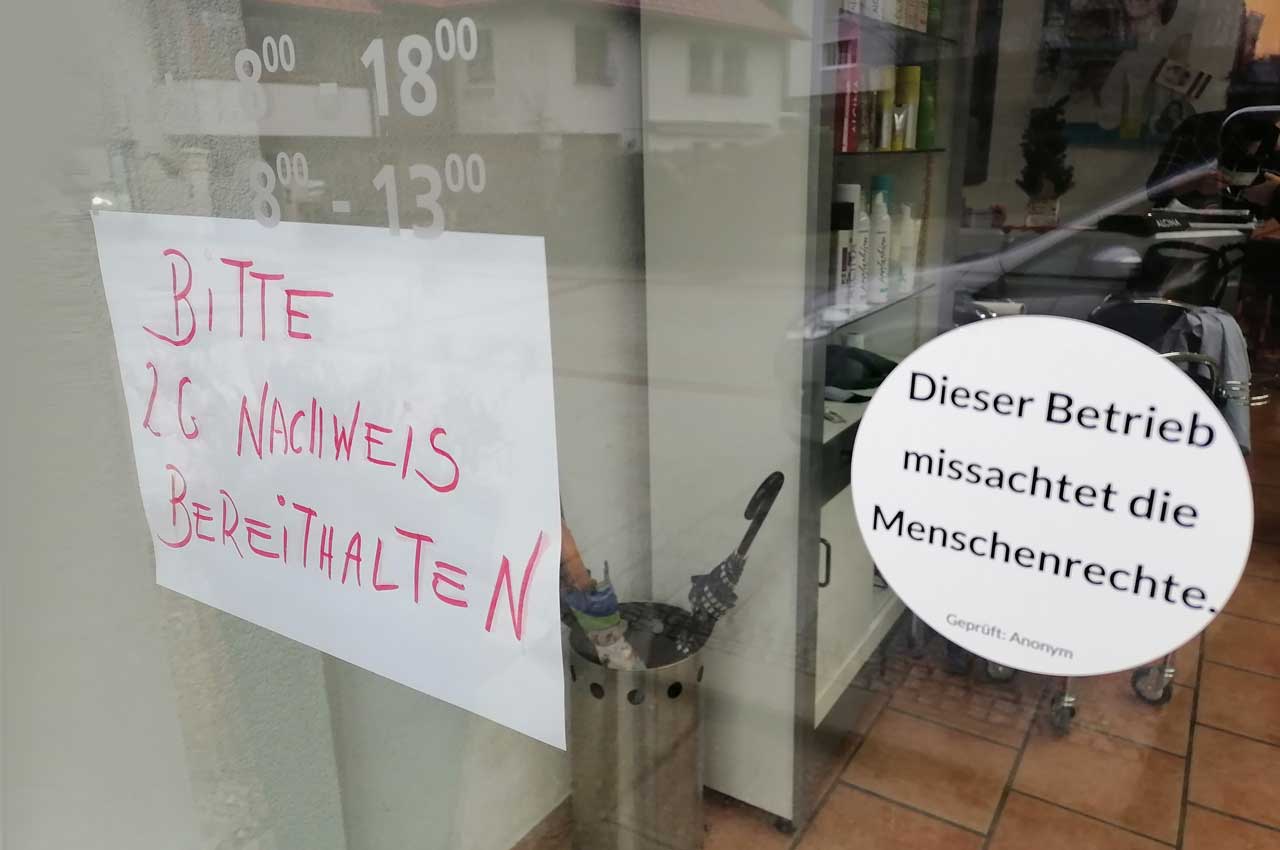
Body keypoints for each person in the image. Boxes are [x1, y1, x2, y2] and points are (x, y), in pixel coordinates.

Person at [1147, 60, 1280, 210]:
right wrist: (1194, 183)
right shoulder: (1197, 127)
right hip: (1188, 221)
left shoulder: (1273, 140)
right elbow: (1154, 189)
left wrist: (1275, 194)